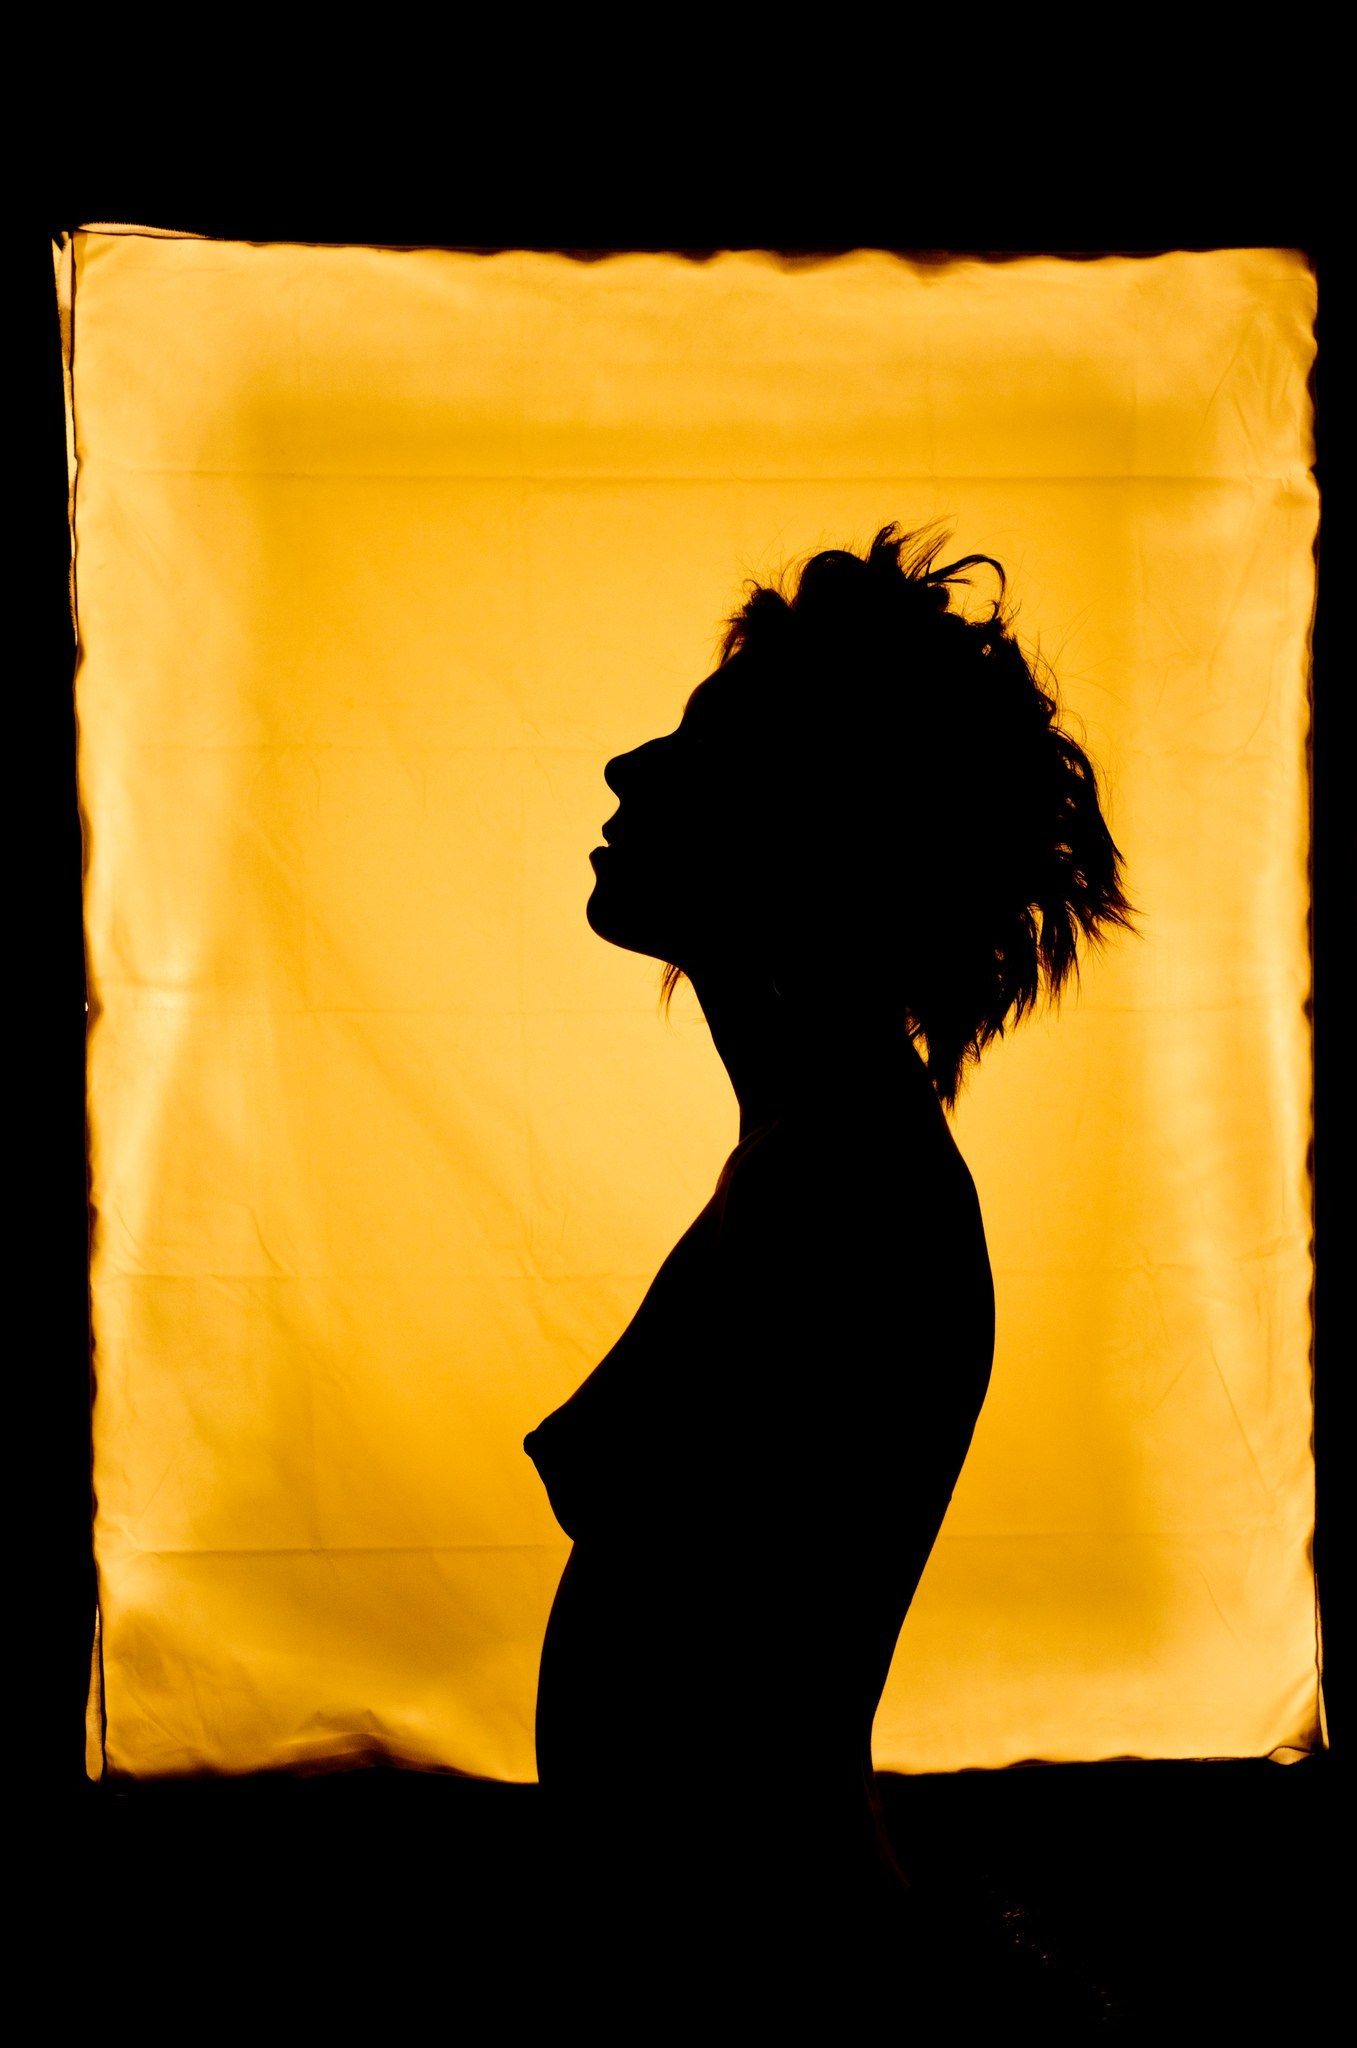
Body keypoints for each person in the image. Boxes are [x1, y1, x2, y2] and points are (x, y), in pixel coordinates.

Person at [523, 525, 1134, 1988]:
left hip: (765, 1990)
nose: (628, 769)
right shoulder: (826, 1160)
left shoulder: (846, 1193)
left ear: (807, 831)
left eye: (701, 750)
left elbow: (722, 1709)